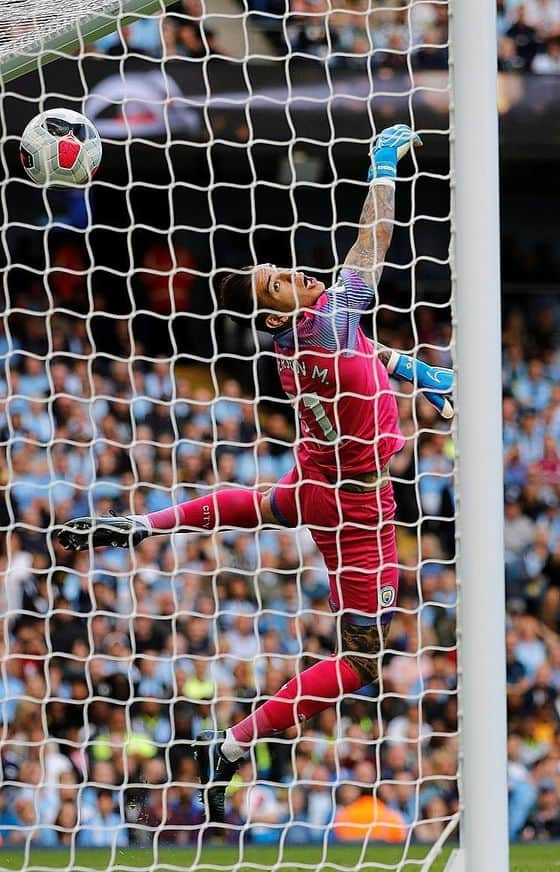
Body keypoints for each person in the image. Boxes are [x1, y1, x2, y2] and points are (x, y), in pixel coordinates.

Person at [53, 124, 450, 826]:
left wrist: (422, 372)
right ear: (274, 309)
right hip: (359, 506)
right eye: (279, 281)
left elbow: (366, 352)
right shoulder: (328, 321)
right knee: (361, 663)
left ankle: (144, 523)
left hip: (318, 481)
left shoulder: (298, 339)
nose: (296, 273)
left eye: (284, 269)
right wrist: (382, 165)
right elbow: (375, 239)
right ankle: (235, 743)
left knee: (268, 503)